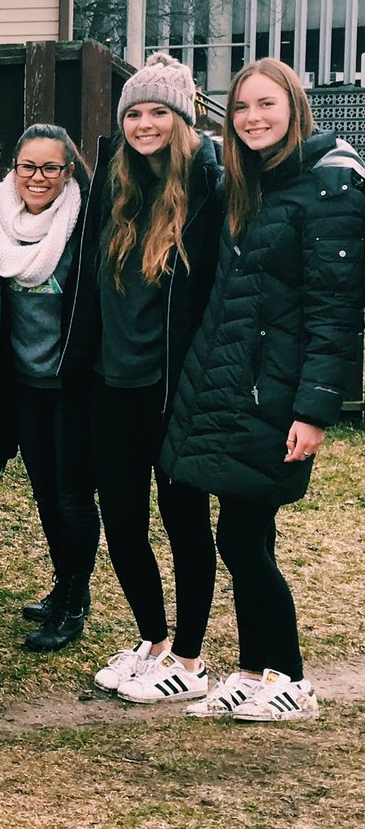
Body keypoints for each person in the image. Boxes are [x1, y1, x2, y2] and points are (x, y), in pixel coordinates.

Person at [162, 59, 365, 722]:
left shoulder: (329, 186)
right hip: (234, 387)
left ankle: (294, 682)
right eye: (242, 106)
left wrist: (313, 411)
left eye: (266, 104)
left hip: (274, 395)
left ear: (296, 106)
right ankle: (253, 673)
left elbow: (335, 316)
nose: (252, 117)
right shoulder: (253, 184)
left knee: (244, 540)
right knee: (244, 537)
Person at [59, 52, 222, 704]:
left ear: (181, 119)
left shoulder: (210, 185)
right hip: (111, 385)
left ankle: (190, 657)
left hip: (173, 390)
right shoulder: (114, 183)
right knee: (121, 519)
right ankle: (154, 642)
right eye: (134, 112)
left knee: (184, 520)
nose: (144, 123)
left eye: (158, 111)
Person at [0, 124, 99, 651]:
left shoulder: (85, 225)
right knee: (45, 495)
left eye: (50, 167)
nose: (37, 177)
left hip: (73, 385)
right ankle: (63, 585)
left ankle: (75, 600)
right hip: (25, 384)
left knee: (72, 495)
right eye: (27, 166)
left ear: (68, 172)